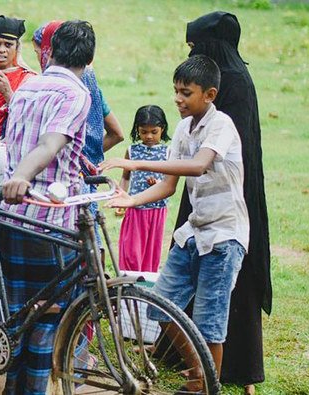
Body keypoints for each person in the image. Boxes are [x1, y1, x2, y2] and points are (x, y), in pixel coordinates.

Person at [100, 55, 249, 392]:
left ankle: (205, 387)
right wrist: (132, 200)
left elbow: (197, 166)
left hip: (224, 237)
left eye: (186, 93)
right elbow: (168, 186)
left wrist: (134, 163)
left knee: (210, 326)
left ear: (209, 95)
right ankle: (200, 375)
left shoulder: (221, 125)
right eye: (176, 91)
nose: (178, 99)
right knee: (160, 308)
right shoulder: (183, 128)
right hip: (194, 232)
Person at [179, 12, 272, 395]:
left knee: (230, 283)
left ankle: (236, 367)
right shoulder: (224, 80)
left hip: (230, 197)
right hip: (203, 187)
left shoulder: (232, 83)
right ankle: (187, 353)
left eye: (197, 48)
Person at [0, 20, 95, 394]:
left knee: (22, 314)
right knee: (50, 315)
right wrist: (21, 178)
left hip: (11, 216)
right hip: (49, 219)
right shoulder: (77, 93)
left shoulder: (27, 86)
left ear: (49, 52)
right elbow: (49, 145)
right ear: (89, 58)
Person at [32, 20, 124, 249]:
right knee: (93, 245)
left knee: (73, 247)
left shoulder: (55, 89)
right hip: (87, 178)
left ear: (49, 51)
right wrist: (88, 159)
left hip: (64, 184)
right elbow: (117, 133)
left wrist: (75, 157)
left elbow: (47, 143)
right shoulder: (90, 82)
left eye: (38, 53)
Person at [117, 105, 170, 272]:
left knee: (151, 252)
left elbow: (169, 182)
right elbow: (125, 177)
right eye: (143, 131)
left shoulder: (167, 152)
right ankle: (128, 283)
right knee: (131, 252)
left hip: (157, 209)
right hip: (136, 209)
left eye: (154, 132)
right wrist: (121, 197)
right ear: (137, 130)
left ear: (162, 129)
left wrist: (158, 185)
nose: (148, 136)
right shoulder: (132, 151)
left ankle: (145, 287)